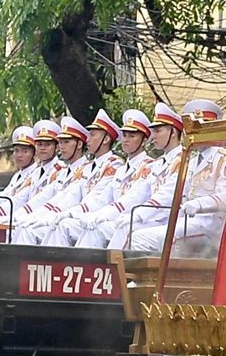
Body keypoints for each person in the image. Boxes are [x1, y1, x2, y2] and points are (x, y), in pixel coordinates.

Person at [58, 109, 150, 247]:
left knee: (93, 229)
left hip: (136, 221)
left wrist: (103, 215)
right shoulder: (121, 170)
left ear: (144, 141)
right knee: (63, 225)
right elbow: (102, 197)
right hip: (113, 218)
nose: (125, 140)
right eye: (124, 135)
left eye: (131, 136)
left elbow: (133, 198)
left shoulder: (147, 166)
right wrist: (74, 213)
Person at [45, 109, 124, 245]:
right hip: (84, 215)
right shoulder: (89, 167)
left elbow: (99, 198)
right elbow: (73, 193)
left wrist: (73, 213)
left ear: (105, 139)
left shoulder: (114, 164)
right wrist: (51, 213)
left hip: (99, 217)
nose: (87, 139)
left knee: (63, 226)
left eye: (92, 135)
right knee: (55, 224)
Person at [171, 98, 226, 251]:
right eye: (194, 129)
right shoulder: (192, 160)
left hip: (211, 225)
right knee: (145, 234)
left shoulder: (225, 158)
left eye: (202, 128)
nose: (196, 133)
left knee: (159, 238)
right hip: (189, 222)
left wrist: (199, 205)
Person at [119, 102, 187, 250]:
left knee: (128, 229)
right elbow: (139, 193)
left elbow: (166, 195)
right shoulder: (157, 164)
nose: (153, 136)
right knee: (120, 226)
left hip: (170, 219)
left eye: (158, 131)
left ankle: (112, 271)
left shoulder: (184, 161)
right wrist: (114, 212)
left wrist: (138, 214)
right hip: (154, 218)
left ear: (173, 132)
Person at [13, 115, 92, 244]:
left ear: (79, 144)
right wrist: (27, 215)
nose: (62, 146)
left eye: (66, 142)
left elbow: (70, 198)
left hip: (75, 220)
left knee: (28, 230)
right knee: (20, 226)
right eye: (60, 142)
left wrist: (44, 216)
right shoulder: (63, 171)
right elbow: (44, 197)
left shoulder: (82, 169)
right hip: (52, 217)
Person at [0, 125, 39, 236]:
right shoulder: (17, 176)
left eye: (25, 151)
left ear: (34, 153)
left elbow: (16, 202)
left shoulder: (36, 174)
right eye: (16, 151)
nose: (19, 155)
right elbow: (1, 198)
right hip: (7, 219)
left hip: (20, 222)